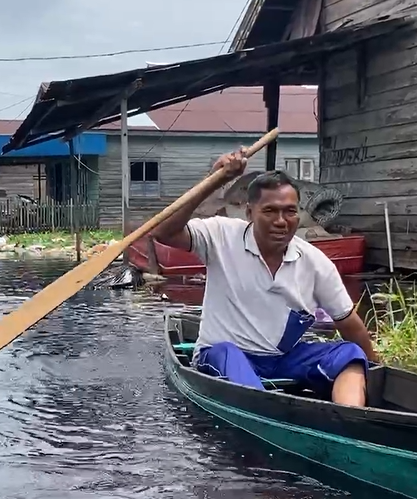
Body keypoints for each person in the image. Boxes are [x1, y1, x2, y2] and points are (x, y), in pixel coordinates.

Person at [153, 149, 379, 408]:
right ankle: (266, 410)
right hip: (221, 355)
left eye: (290, 211)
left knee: (349, 353)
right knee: (228, 354)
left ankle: (351, 420)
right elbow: (165, 232)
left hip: (281, 360)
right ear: (249, 213)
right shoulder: (221, 235)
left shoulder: (315, 262)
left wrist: (376, 367)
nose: (281, 221)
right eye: (270, 211)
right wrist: (214, 180)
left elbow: (348, 322)